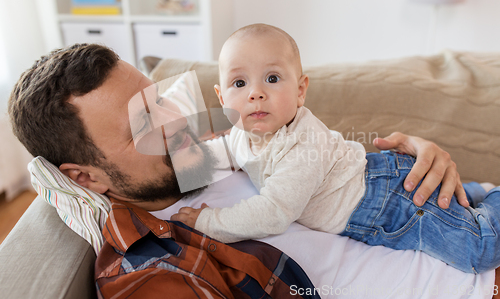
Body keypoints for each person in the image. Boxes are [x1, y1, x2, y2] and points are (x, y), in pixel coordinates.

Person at [7, 43, 484, 297]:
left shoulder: (207, 152)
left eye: (156, 98)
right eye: (142, 126)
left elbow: (324, 152)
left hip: (463, 222)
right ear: (87, 177)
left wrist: (416, 150)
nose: (174, 121)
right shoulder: (150, 265)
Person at [171, 23, 500, 274]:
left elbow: (273, 213)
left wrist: (208, 222)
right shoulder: (240, 137)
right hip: (371, 193)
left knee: (480, 250)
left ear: (301, 90)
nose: (256, 93)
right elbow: (213, 157)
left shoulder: (303, 142)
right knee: (463, 218)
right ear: (222, 98)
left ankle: (493, 195)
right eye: (240, 83)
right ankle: (472, 192)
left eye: (272, 78)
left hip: (386, 199)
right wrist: (175, 162)